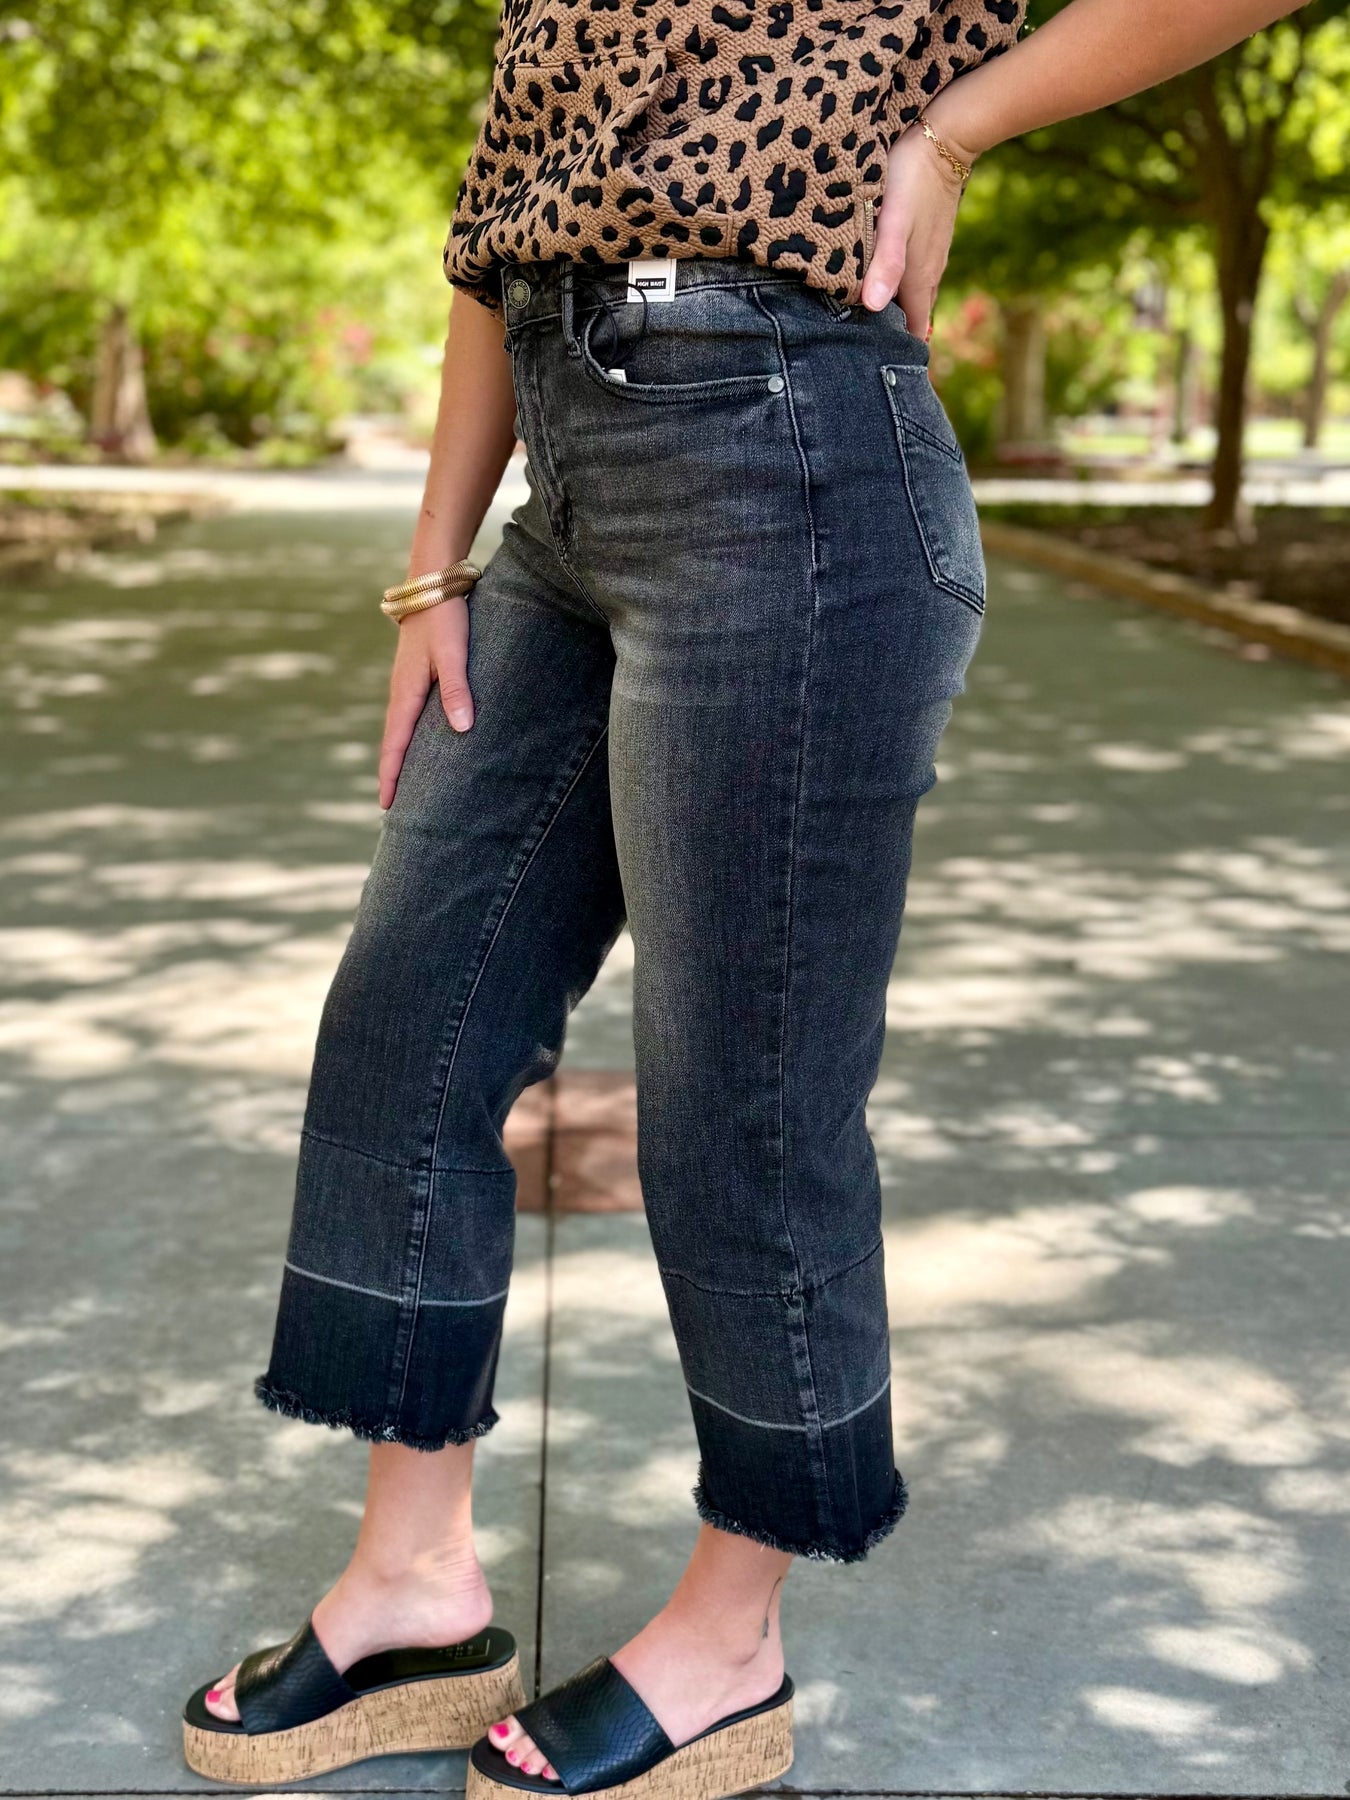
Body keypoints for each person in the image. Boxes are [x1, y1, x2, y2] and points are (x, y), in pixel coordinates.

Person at [182, 2, 1300, 1795]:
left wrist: (955, 129)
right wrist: (431, 569)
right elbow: (496, 211)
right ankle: (413, 1585)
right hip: (562, 488)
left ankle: (730, 1640)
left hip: (792, 459)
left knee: (737, 1098)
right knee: (407, 1021)